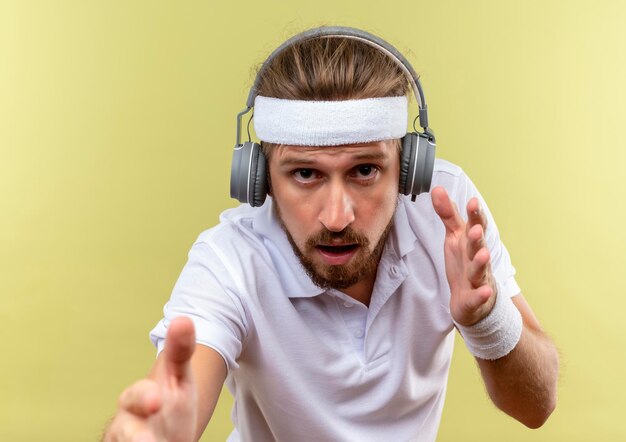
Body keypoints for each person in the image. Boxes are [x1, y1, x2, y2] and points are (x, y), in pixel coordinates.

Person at [103, 27, 559, 442]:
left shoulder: (447, 217)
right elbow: (165, 406)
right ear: (259, 180)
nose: (337, 218)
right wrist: (151, 434)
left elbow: (536, 407)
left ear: (406, 170)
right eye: (305, 173)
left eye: (364, 170)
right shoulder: (230, 262)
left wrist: (487, 320)